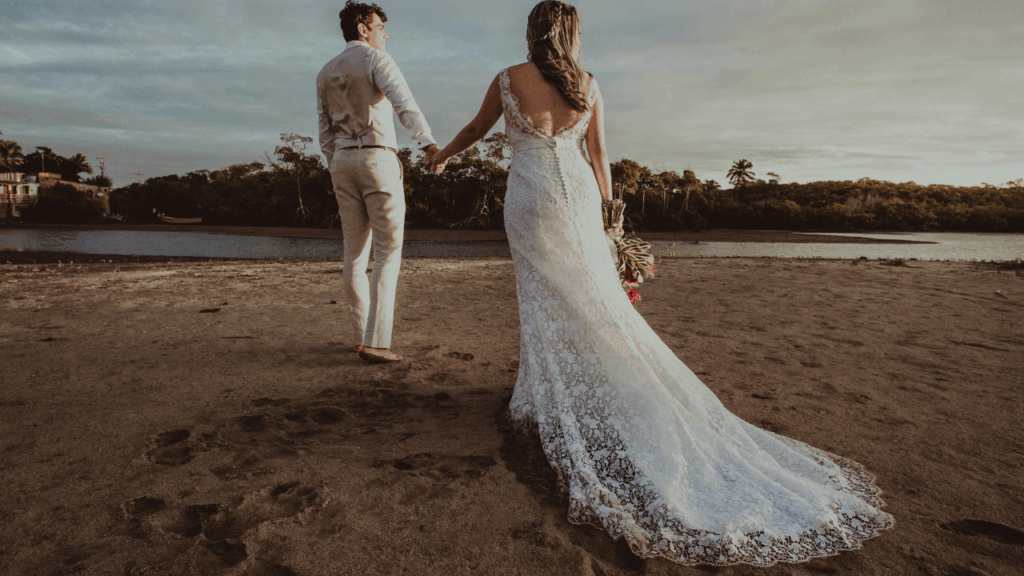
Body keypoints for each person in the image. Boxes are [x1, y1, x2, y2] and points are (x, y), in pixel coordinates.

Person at [430, 0, 894, 566]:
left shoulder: (508, 79)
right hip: (575, 197)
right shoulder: (588, 83)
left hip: (529, 198)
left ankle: (552, 394)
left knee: (547, 297)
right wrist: (609, 216)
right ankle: (581, 386)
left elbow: (478, 129)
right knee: (592, 296)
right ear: (572, 34)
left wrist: (442, 157)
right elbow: (598, 154)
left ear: (532, 32)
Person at [317, 1, 439, 363]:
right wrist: (428, 143)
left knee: (353, 255)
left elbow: (324, 133)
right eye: (380, 27)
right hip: (377, 156)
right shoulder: (376, 60)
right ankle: (377, 341)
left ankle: (360, 336)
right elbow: (405, 103)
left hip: (341, 161)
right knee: (388, 251)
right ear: (362, 29)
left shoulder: (325, 71)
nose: (385, 34)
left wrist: (338, 162)